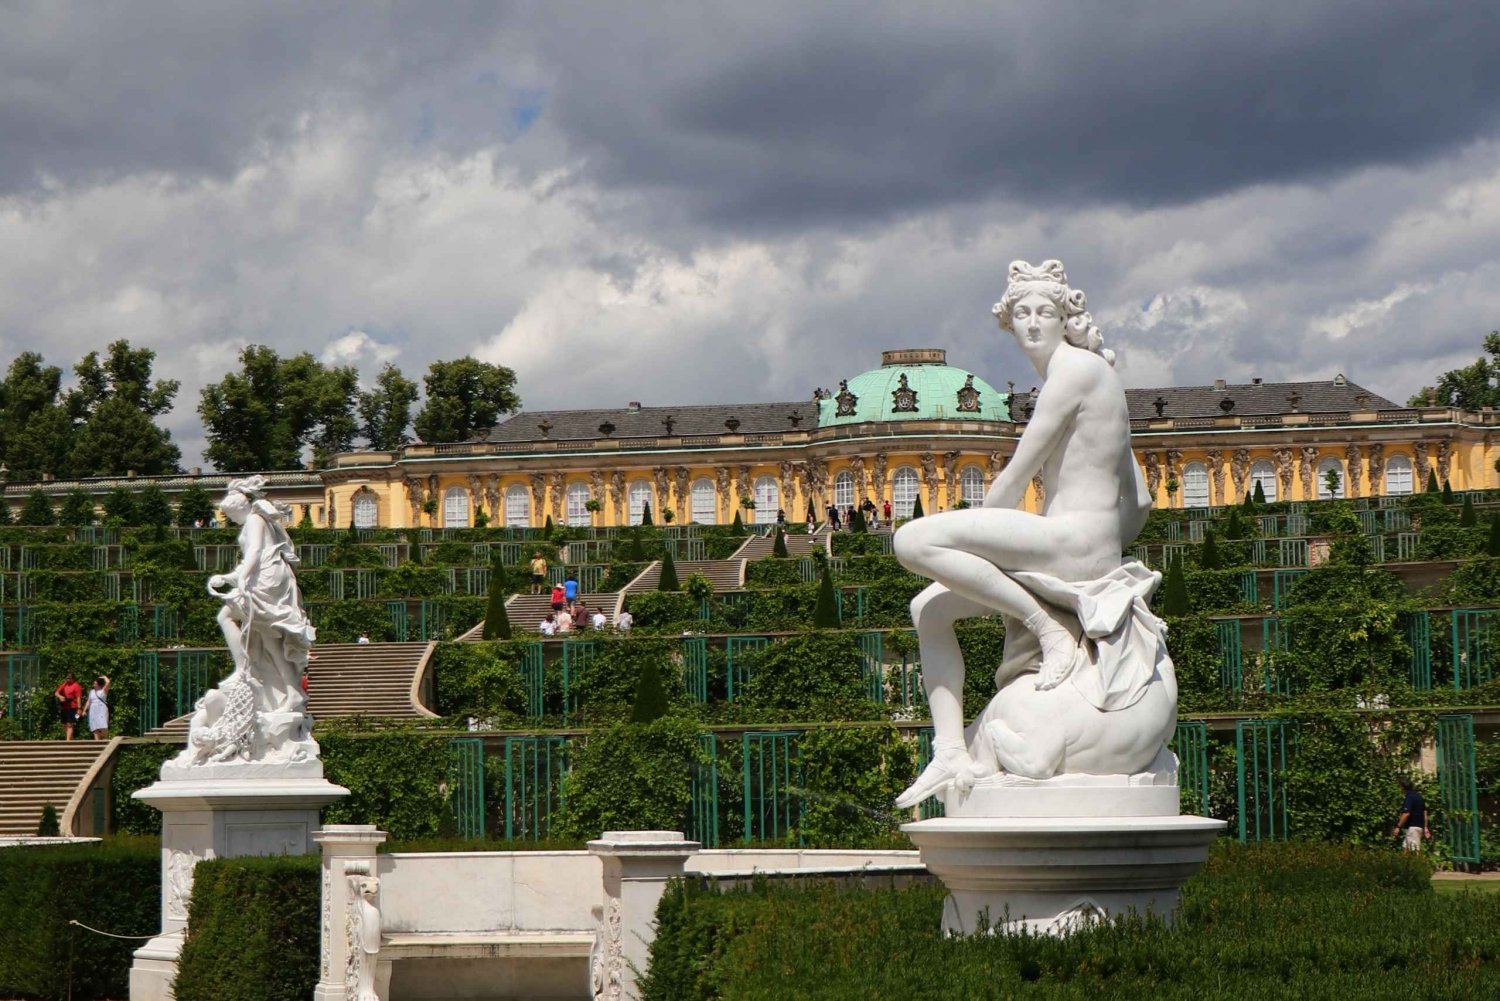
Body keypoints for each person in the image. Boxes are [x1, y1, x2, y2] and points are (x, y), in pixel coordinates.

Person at [893, 259, 1160, 808]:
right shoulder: (1097, 374)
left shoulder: (1075, 373)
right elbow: (1141, 501)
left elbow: (1015, 477)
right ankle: (948, 751)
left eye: (1045, 311)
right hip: (1085, 547)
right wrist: (1107, 552)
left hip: (1071, 542)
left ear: (1067, 317)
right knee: (930, 610)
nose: (1033, 323)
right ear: (1007, 323)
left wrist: (984, 550)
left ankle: (1049, 630)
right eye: (1022, 313)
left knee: (913, 542)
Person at [1394, 777, 1430, 851]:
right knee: (1406, 850)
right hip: (1418, 827)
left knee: (1414, 853)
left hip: (1412, 829)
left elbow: (1406, 813)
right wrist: (1425, 827)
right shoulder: (1418, 796)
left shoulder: (1409, 797)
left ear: (1402, 787)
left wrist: (1398, 826)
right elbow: (1425, 812)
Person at [54, 673, 84, 741]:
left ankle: (67, 741)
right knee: (64, 725)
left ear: (73, 678)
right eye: (67, 678)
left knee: (70, 724)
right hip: (64, 707)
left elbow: (78, 697)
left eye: (69, 678)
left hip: (72, 707)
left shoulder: (76, 686)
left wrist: (79, 708)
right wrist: (60, 696)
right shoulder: (65, 684)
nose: (68, 679)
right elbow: (56, 693)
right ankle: (71, 741)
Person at [86, 675, 111, 740]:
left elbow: (108, 682)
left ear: (99, 684)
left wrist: (104, 677)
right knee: (94, 726)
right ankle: (97, 742)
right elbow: (88, 701)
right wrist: (84, 710)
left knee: (103, 725)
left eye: (95, 683)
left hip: (101, 709)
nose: (93, 684)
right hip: (93, 709)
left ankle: (105, 738)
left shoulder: (103, 690)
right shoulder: (91, 692)